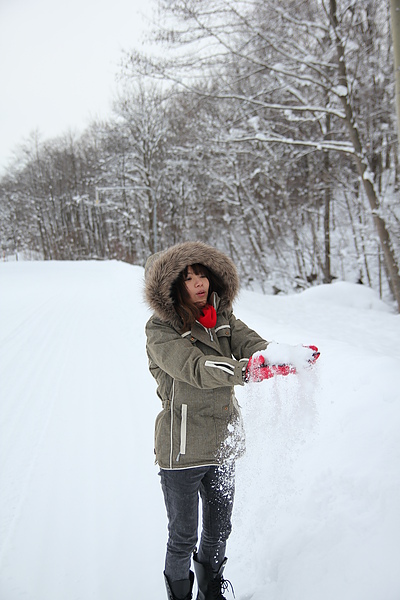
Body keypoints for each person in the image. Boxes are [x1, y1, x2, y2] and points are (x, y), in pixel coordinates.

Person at [144, 241, 319, 600]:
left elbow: (252, 344)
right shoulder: (160, 330)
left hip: (223, 442)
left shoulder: (222, 318)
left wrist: (282, 358)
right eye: (188, 277)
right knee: (183, 537)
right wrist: (246, 371)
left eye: (202, 274)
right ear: (172, 286)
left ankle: (212, 593)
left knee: (219, 530)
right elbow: (195, 368)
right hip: (182, 449)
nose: (198, 282)